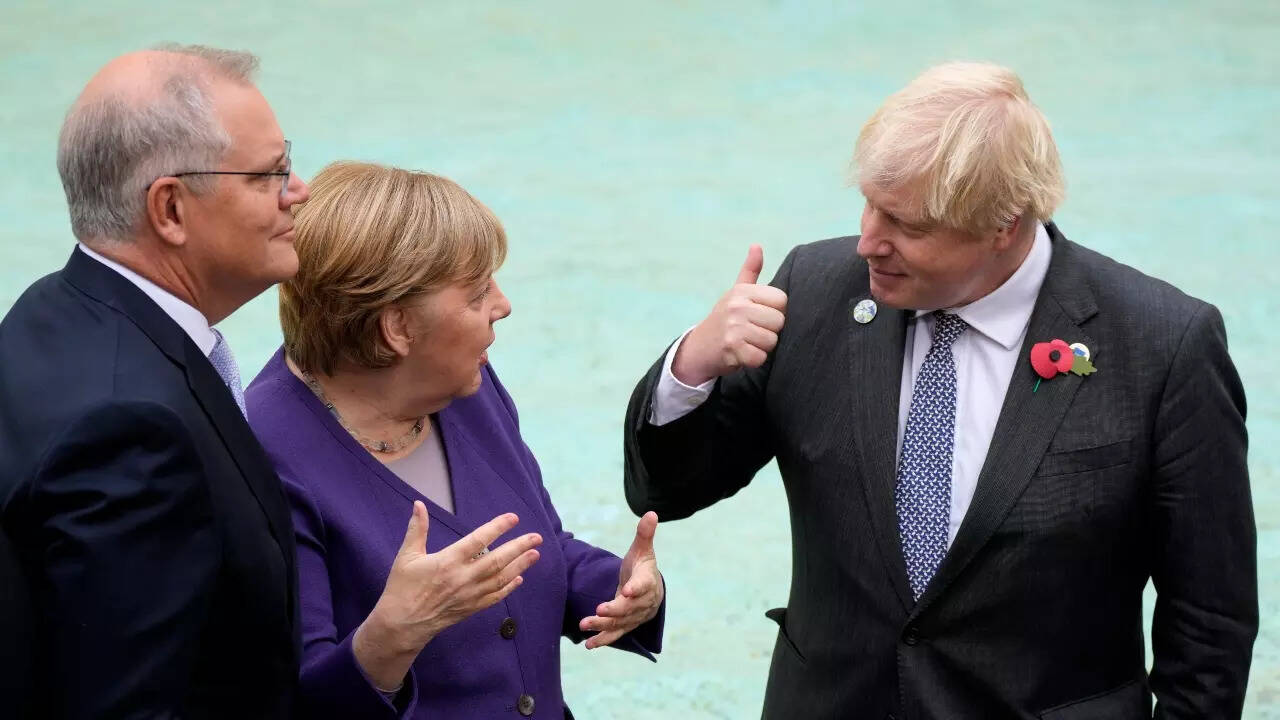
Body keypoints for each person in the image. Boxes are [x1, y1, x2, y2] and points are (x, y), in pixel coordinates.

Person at [623, 61, 1256, 718]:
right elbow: (664, 492)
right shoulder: (812, 289)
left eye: (908, 225)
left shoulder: (1164, 345)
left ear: (1004, 223)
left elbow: (1209, 625)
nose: (868, 242)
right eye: (869, 204)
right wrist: (693, 363)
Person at [245, 161, 666, 719]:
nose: (503, 305)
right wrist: (392, 636)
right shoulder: (261, 455)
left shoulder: (464, 385)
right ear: (396, 327)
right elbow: (292, 702)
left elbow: (541, 545)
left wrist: (621, 589)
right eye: (476, 293)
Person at [0, 45, 310, 717]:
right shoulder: (133, 430)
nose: (299, 191)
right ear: (169, 209)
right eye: (270, 174)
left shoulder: (49, 310)